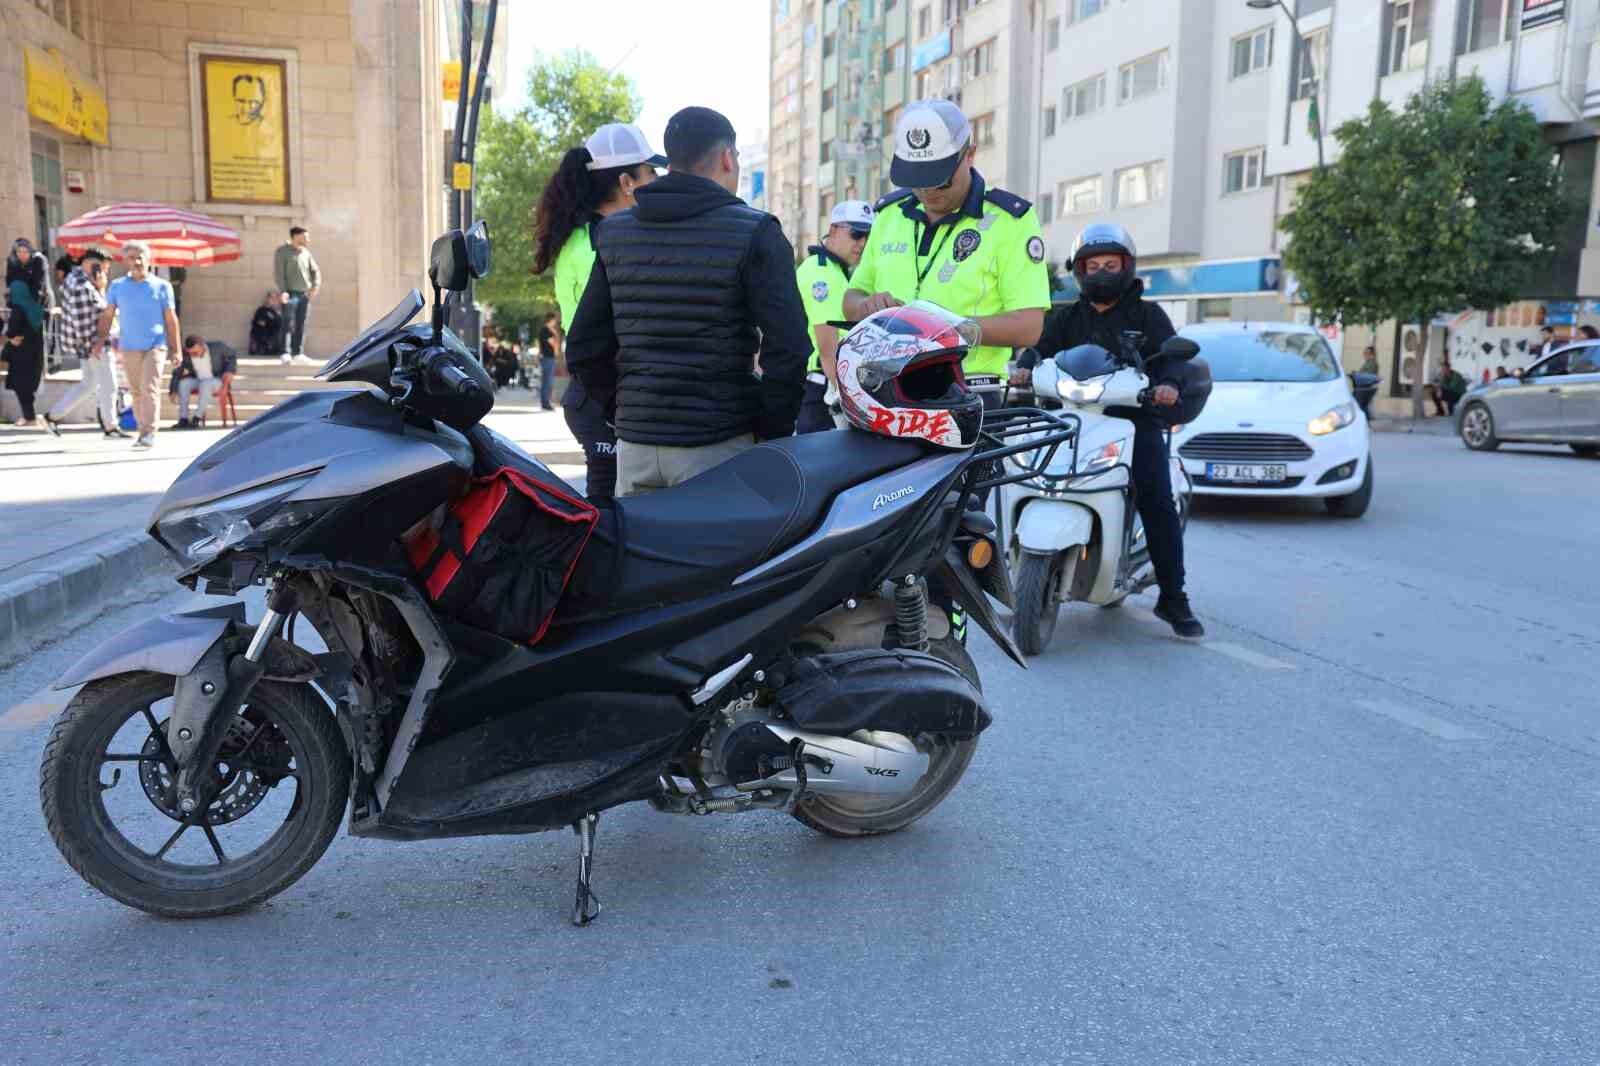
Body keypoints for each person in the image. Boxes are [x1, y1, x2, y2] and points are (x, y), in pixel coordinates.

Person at [565, 107, 808, 497]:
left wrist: (625, 412)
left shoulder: (614, 234)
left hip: (636, 448)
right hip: (719, 444)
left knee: (640, 555)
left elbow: (583, 346)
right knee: (720, 556)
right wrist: (769, 429)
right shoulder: (756, 232)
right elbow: (790, 348)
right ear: (728, 156)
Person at [1021, 222, 1204, 640]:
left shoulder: (1148, 315)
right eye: (1093, 265)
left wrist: (1169, 386)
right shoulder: (1066, 316)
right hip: (1068, 420)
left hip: (1132, 424)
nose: (1102, 272)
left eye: (1110, 264)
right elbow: (1039, 351)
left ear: (1127, 267)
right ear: (1079, 271)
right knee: (1028, 476)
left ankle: (1173, 597)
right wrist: (1024, 367)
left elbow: (1172, 360)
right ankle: (1021, 582)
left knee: (1157, 498)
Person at [843, 99, 1050, 414]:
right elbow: (851, 297)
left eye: (940, 180)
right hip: (886, 394)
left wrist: (949, 329)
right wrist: (865, 306)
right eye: (917, 181)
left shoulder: (1010, 221)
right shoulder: (889, 215)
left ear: (969, 154)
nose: (927, 193)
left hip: (966, 394)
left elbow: (1028, 326)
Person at [533, 121, 665, 501]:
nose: (656, 180)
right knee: (610, 510)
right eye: (650, 172)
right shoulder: (604, 241)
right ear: (627, 182)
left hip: (596, 391)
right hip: (604, 393)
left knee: (612, 505)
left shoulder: (587, 235)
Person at [794, 199, 873, 433]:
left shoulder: (833, 270)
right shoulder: (823, 275)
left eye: (868, 236)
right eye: (857, 234)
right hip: (824, 394)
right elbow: (828, 348)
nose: (863, 243)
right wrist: (852, 401)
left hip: (820, 390)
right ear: (834, 230)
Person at [93, 240, 180, 448]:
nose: (137, 261)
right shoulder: (117, 286)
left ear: (149, 260)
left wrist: (176, 349)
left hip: (155, 345)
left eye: (141, 256)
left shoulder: (162, 286)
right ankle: (143, 432)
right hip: (129, 346)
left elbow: (171, 319)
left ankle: (149, 432)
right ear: (126, 262)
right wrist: (99, 341)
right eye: (132, 257)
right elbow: (107, 315)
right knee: (137, 391)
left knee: (149, 387)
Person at [43, 250, 121, 437]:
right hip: (95, 343)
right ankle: (110, 426)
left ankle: (52, 416)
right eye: (104, 268)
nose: (105, 272)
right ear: (93, 264)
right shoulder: (82, 285)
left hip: (89, 344)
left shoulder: (75, 279)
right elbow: (89, 317)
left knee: (89, 384)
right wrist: (102, 289)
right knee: (109, 385)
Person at [274, 225, 320, 364]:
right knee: (287, 323)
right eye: (305, 236)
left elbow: (315, 270)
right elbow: (279, 273)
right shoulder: (282, 252)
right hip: (289, 294)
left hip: (304, 294)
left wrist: (315, 286)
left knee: (302, 323)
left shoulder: (306, 253)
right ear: (296, 236)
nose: (308, 239)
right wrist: (283, 291)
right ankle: (285, 352)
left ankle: (298, 352)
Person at [169, 334, 236, 428]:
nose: (192, 355)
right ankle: (183, 419)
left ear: (202, 346)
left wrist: (230, 371)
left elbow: (232, 354)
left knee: (205, 384)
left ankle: (196, 418)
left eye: (195, 352)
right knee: (184, 384)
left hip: (217, 381)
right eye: (190, 353)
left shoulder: (217, 347)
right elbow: (177, 372)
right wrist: (173, 390)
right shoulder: (187, 354)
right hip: (198, 380)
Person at [5, 274, 45, 425]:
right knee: (27, 387)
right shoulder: (35, 308)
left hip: (20, 355)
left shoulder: (18, 309)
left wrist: (10, 337)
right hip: (34, 353)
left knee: (21, 387)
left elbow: (13, 332)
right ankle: (30, 416)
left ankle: (30, 418)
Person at [536, 313, 560, 410]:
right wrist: (555, 334)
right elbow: (554, 343)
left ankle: (546, 402)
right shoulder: (545, 330)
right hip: (547, 358)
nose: (555, 322)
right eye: (554, 320)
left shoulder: (547, 330)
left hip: (549, 358)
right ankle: (545, 403)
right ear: (550, 320)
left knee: (548, 381)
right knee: (547, 381)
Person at [249, 291, 284, 355]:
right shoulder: (261, 310)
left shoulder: (275, 312)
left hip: (272, 344)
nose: (273, 300)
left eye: (275, 298)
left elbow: (279, 325)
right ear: (267, 299)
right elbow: (261, 323)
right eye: (271, 298)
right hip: (260, 343)